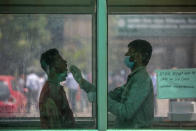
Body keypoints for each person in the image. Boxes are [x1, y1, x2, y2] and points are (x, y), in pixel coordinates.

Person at [70, 39, 154, 128]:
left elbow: (126, 112)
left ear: (140, 56)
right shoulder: (134, 79)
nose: (126, 55)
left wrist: (100, 99)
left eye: (130, 52)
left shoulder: (141, 79)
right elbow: (109, 96)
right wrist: (82, 82)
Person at [39, 48, 74, 129]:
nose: (65, 62)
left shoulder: (58, 89)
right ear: (51, 68)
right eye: (59, 59)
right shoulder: (49, 96)